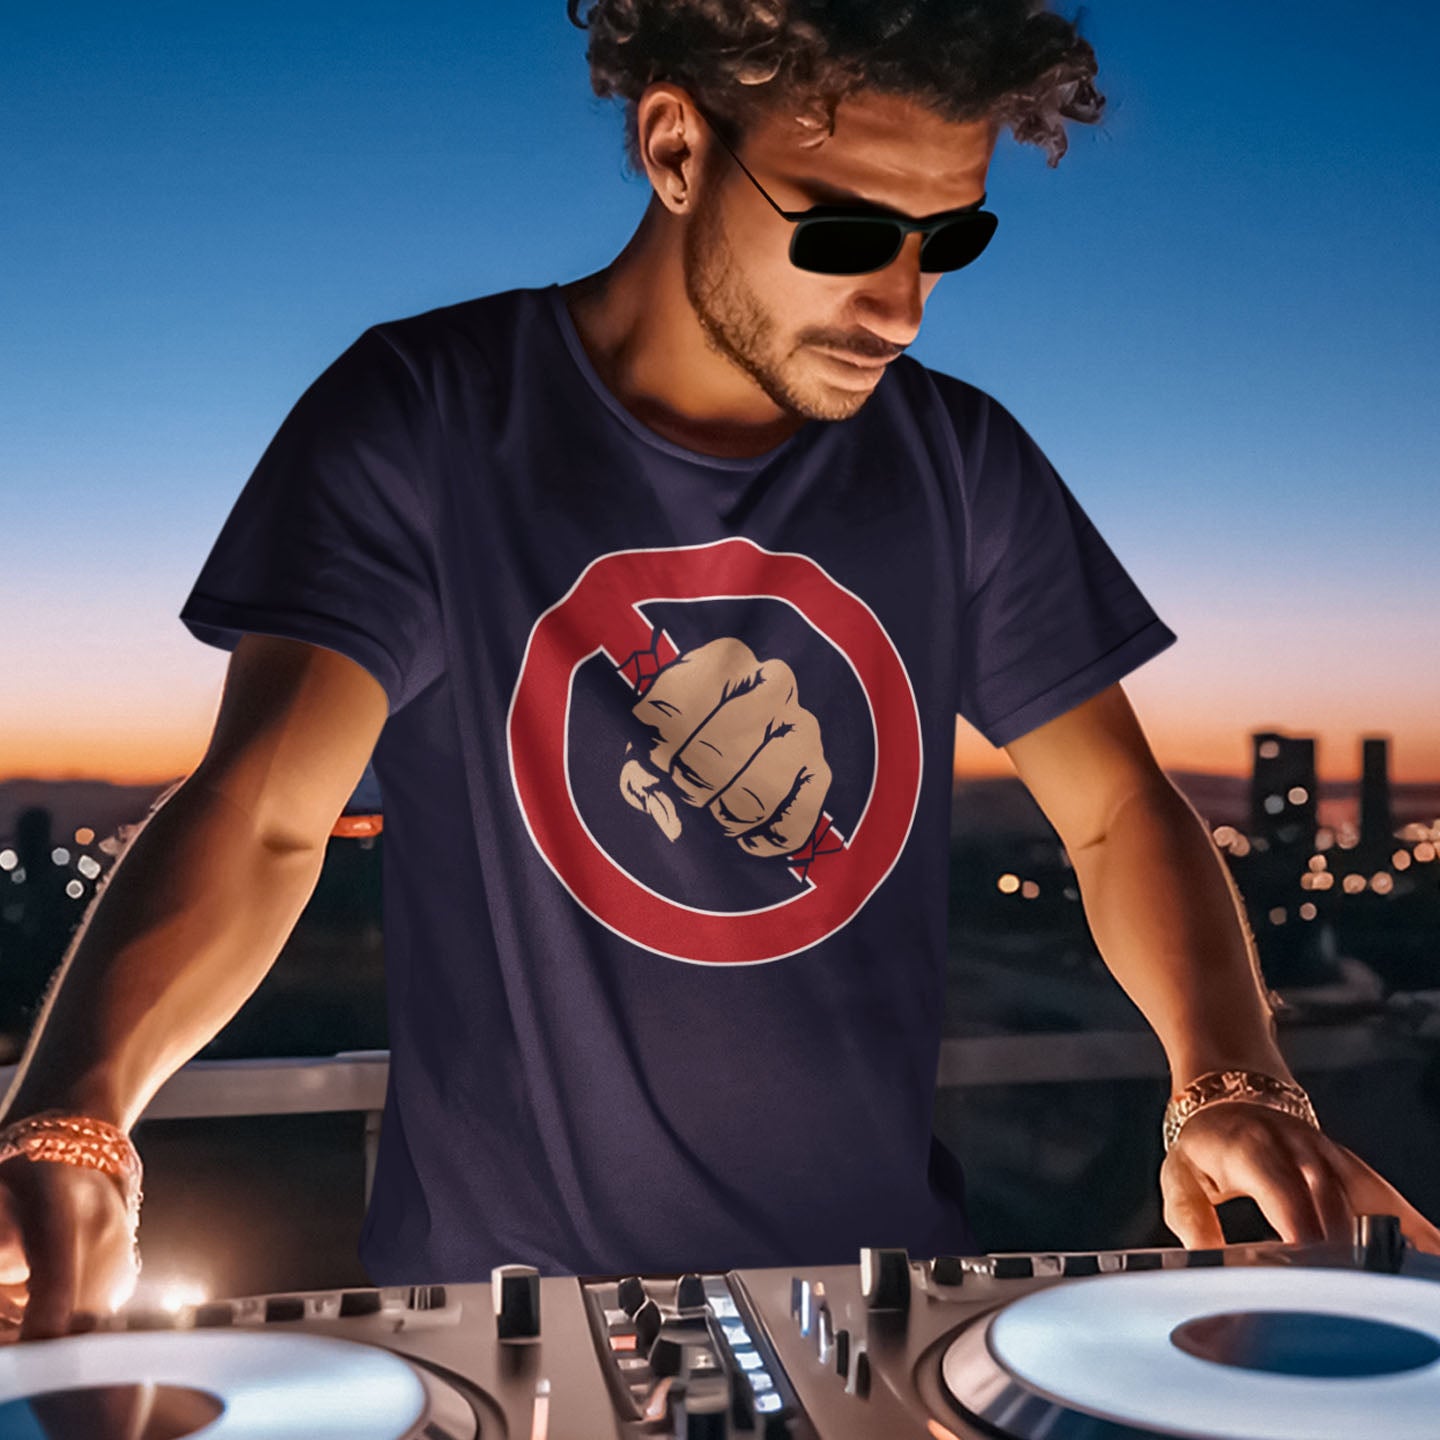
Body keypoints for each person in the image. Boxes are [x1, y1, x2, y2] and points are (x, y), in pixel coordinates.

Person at [3, 0, 1436, 1345]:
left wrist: (1230, 1083)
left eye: (950, 240)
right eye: (849, 233)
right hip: (498, 1328)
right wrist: (70, 1121)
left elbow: (1120, 810)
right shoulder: (424, 418)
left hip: (891, 1314)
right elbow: (265, 812)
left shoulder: (963, 464)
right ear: (678, 145)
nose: (904, 306)